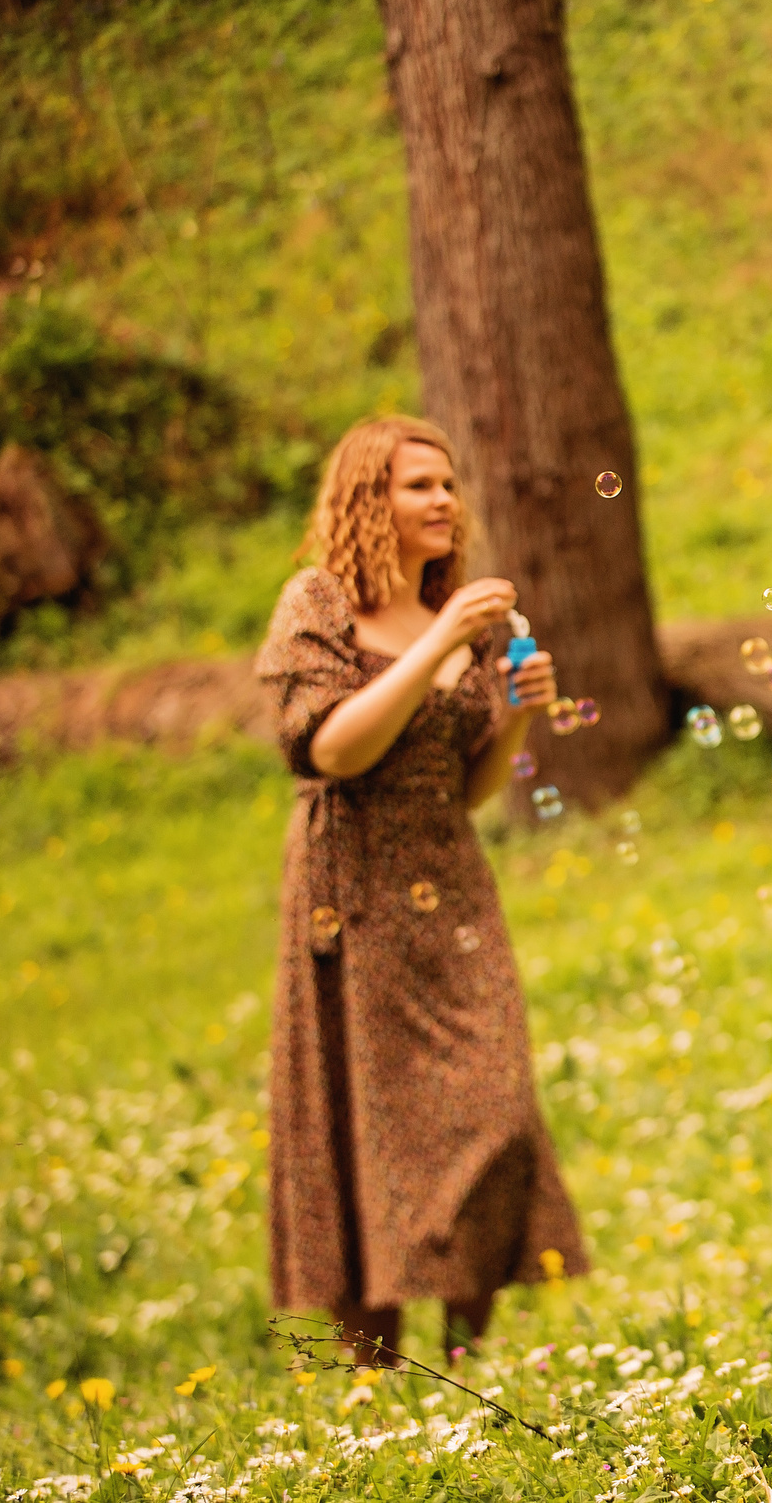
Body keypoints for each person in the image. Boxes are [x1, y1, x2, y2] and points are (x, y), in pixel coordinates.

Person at [256, 415, 589, 1364]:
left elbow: (470, 786)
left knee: (498, 1111)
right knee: (374, 1126)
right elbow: (330, 748)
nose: (444, 500)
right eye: (418, 485)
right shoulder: (319, 602)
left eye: (448, 484)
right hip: (349, 895)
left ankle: (465, 1353)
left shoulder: (459, 622)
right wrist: (441, 635)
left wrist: (517, 723)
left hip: (450, 884)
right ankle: (377, 1369)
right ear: (369, 499)